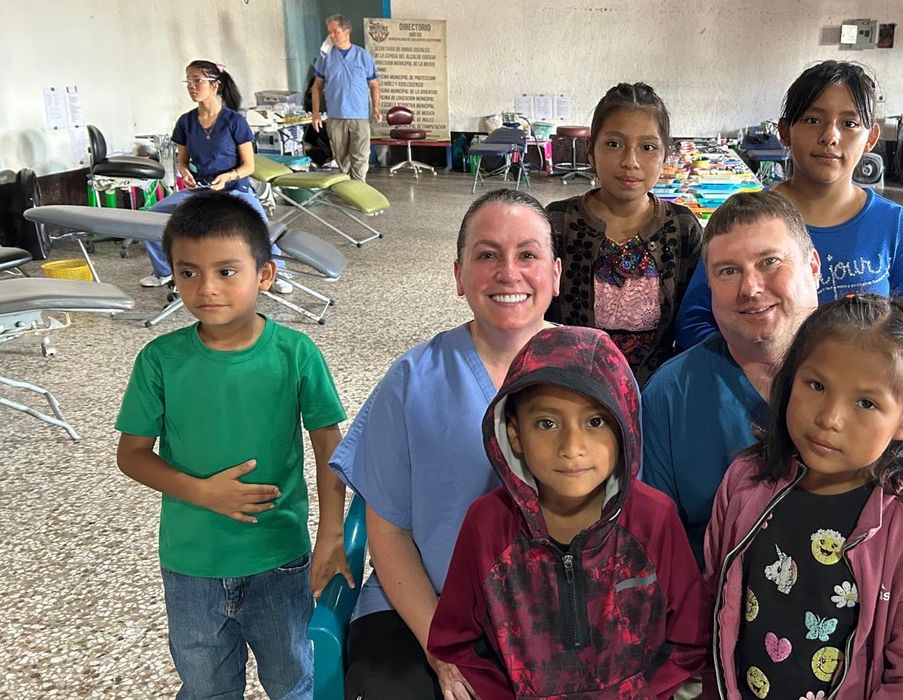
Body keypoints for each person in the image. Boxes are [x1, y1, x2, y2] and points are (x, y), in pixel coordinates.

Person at [642, 191, 903, 568]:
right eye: (728, 271)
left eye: (770, 261)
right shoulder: (670, 394)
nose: (750, 287)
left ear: (813, 266)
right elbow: (657, 545)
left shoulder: (890, 367)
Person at [115, 191, 351, 698]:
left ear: (264, 274)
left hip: (279, 558)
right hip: (191, 564)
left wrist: (331, 533)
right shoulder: (159, 360)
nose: (206, 289)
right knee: (205, 688)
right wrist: (200, 492)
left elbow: (330, 444)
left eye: (226, 271)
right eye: (188, 272)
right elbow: (131, 454)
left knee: (294, 682)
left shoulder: (295, 354)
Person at [329, 189, 562, 700]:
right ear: (459, 275)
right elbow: (386, 530)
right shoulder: (413, 379)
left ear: (556, 274)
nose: (509, 272)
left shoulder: (594, 371)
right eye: (486, 255)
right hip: (420, 607)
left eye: (528, 254)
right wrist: (440, 642)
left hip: (557, 610)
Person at [428, 326, 708, 698]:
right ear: (515, 434)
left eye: (595, 422)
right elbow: (458, 641)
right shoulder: (487, 525)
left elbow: (689, 638)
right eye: (547, 423)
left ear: (624, 428)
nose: (572, 447)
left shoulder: (654, 519)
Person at [704, 294, 903, 699]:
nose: (829, 418)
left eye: (866, 403)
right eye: (817, 385)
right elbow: (714, 601)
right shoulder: (744, 482)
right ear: (790, 379)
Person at [676, 60, 903, 348]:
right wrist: (752, 370)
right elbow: (694, 321)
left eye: (849, 124)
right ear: (785, 132)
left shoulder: (894, 225)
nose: (830, 136)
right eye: (813, 120)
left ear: (871, 138)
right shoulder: (744, 220)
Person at [545, 82, 702, 385]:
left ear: (665, 155)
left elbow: (693, 321)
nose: (630, 161)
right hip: (572, 389)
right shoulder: (557, 221)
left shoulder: (683, 227)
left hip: (657, 390)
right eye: (614, 144)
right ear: (591, 150)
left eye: (647, 147)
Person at [142, 59, 291, 294]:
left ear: (214, 85)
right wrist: (185, 173)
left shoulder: (234, 121)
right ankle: (163, 272)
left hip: (235, 188)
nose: (191, 86)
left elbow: (248, 166)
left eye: (197, 80)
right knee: (149, 219)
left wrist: (227, 177)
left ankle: (278, 273)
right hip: (202, 189)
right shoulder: (186, 122)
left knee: (262, 230)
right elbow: (182, 162)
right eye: (188, 81)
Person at [311, 14, 382, 181]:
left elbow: (374, 85)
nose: (332, 36)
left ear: (346, 31)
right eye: (330, 33)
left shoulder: (363, 56)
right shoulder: (325, 58)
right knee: (342, 159)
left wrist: (376, 108)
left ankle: (359, 188)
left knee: (361, 156)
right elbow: (316, 86)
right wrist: (315, 113)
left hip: (359, 116)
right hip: (336, 117)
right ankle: (348, 189)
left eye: (335, 32)